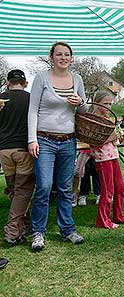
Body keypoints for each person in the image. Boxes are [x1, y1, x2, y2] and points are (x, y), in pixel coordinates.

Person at [28, 42, 87, 251]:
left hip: (68, 140)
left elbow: (84, 110)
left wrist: (79, 101)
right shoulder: (42, 78)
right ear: (51, 57)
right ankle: (38, 232)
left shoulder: (77, 79)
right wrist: (31, 139)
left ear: (71, 58)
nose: (63, 57)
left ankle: (68, 229)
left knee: (65, 188)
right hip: (44, 140)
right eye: (59, 54)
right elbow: (32, 109)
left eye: (67, 54)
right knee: (44, 186)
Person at [0, 69, 35, 246]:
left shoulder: (1, 98)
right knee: (23, 191)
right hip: (22, 149)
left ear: (8, 82)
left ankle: (23, 226)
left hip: (4, 151)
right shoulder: (30, 99)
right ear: (25, 83)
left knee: (15, 190)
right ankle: (12, 230)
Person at [89, 90, 124, 229]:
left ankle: (118, 216)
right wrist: (115, 136)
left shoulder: (107, 117)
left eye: (110, 104)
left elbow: (112, 138)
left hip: (112, 155)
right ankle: (103, 220)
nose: (109, 106)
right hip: (103, 158)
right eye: (105, 103)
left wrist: (119, 136)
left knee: (119, 188)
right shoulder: (92, 119)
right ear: (96, 103)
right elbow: (96, 141)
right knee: (108, 190)